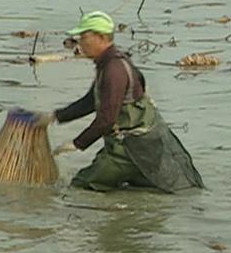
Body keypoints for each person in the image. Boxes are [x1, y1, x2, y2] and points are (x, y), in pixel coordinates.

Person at [35, 10, 204, 193]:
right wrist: (55, 117)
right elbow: (90, 102)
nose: (80, 42)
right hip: (140, 147)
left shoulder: (114, 71)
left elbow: (106, 120)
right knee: (143, 191)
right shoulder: (107, 65)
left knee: (81, 187)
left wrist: (76, 144)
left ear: (101, 37)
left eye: (84, 36)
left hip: (129, 150)